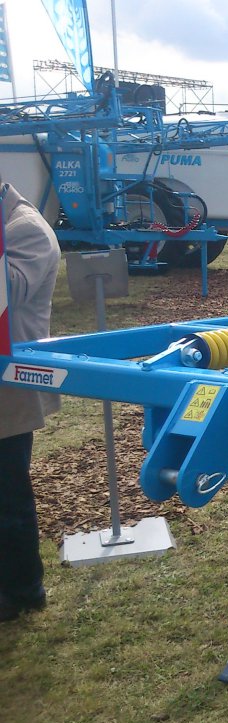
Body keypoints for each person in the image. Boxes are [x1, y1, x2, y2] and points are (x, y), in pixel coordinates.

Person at [0, 178, 61, 622]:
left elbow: (8, 293)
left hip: (10, 387)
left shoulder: (26, 229)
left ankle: (23, 590)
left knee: (8, 494)